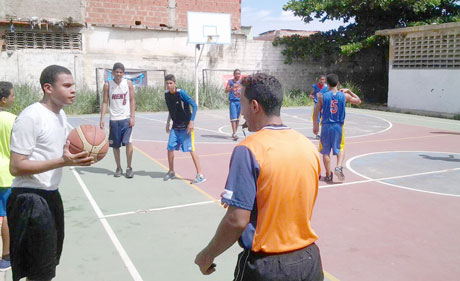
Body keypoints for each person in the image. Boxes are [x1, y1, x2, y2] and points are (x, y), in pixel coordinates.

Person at [195, 73, 323, 281]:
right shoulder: (307, 146)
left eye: (243, 103)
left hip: (269, 266)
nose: (242, 111)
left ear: (254, 106)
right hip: (309, 261)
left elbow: (237, 220)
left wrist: (206, 256)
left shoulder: (249, 149)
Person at [8, 65, 94, 281]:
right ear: (48, 88)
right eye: (66, 86)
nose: (73, 90)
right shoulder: (31, 117)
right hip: (29, 198)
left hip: (50, 195)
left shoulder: (60, 115)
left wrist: (85, 151)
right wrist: (62, 162)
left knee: (46, 266)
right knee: (38, 272)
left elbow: (66, 148)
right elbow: (16, 166)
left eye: (73, 85)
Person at [312, 73, 361, 183]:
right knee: (340, 148)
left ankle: (328, 174)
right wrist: (349, 91)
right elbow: (358, 101)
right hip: (338, 126)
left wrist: (315, 125)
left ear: (327, 84)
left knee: (325, 151)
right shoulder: (344, 96)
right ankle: (338, 166)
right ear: (338, 83)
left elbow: (316, 113)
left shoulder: (322, 97)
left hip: (325, 126)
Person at [163, 74, 206, 184]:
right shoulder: (166, 94)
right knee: (170, 148)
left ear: (175, 83)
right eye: (167, 83)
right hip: (175, 126)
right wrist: (168, 122)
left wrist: (192, 121)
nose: (168, 85)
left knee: (191, 149)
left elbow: (195, 105)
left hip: (186, 127)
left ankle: (200, 174)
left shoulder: (181, 93)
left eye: (170, 83)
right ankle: (171, 171)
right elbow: (171, 109)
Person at [100, 62, 136, 178]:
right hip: (114, 119)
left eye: (121, 72)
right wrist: (102, 118)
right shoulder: (107, 85)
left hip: (126, 118)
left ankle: (129, 167)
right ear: (113, 73)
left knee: (129, 143)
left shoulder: (128, 83)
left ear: (124, 73)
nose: (119, 74)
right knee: (115, 146)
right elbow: (105, 102)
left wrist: (132, 117)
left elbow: (132, 100)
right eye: (117, 72)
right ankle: (118, 167)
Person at [0, 81, 16, 271]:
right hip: (7, 174)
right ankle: (7, 255)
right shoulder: (13, 120)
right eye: (11, 95)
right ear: (3, 100)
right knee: (7, 217)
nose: (14, 97)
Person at [225, 69, 242, 141]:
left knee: (238, 118)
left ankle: (234, 132)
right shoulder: (230, 81)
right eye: (236, 74)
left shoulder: (242, 82)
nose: (238, 75)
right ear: (234, 74)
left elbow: (245, 90)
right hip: (233, 102)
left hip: (240, 102)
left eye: (239, 74)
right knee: (233, 118)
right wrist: (232, 88)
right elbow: (225, 91)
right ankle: (235, 134)